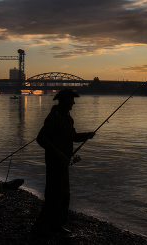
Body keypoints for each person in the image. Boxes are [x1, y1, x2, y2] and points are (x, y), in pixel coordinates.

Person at [31, 89, 95, 237]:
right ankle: (39, 228)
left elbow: (72, 136)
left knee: (64, 195)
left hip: (64, 162)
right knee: (53, 195)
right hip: (54, 162)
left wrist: (87, 135)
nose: (74, 102)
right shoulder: (54, 116)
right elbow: (41, 138)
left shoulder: (67, 118)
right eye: (72, 100)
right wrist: (58, 153)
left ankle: (57, 225)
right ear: (65, 100)